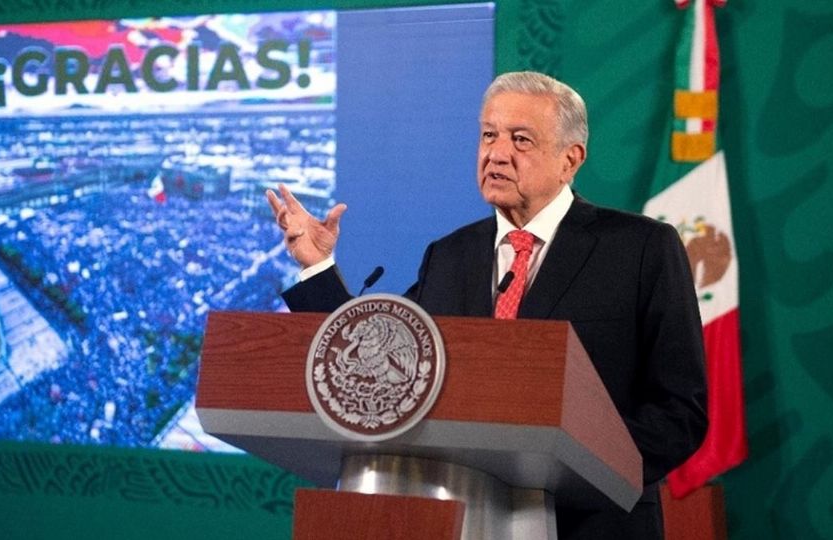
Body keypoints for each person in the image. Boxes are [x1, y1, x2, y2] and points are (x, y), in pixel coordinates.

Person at [266, 71, 707, 539]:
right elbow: (375, 368)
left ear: (570, 159)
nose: (497, 154)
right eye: (489, 135)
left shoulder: (640, 248)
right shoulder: (450, 255)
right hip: (458, 517)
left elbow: (680, 409)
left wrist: (574, 471)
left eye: (521, 139)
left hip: (592, 524)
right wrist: (318, 267)